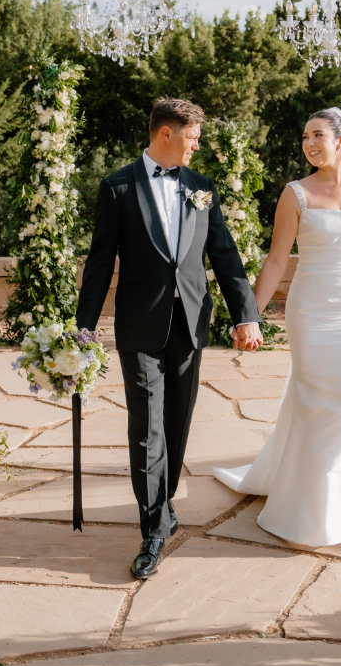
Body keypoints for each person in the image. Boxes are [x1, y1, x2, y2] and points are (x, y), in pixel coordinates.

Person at [213, 108, 341, 548]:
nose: (309, 144)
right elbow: (275, 261)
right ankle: (309, 507)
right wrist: (249, 314)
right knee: (314, 401)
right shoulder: (295, 194)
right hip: (311, 312)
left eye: (318, 135)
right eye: (304, 136)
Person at [76, 97, 262, 579]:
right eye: (192, 138)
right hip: (139, 325)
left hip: (190, 325)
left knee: (177, 423)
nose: (196, 146)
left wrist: (247, 315)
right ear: (165, 134)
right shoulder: (117, 187)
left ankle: (163, 500)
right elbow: (100, 264)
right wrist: (84, 322)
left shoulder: (201, 188)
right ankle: (154, 528)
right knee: (147, 427)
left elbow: (224, 254)